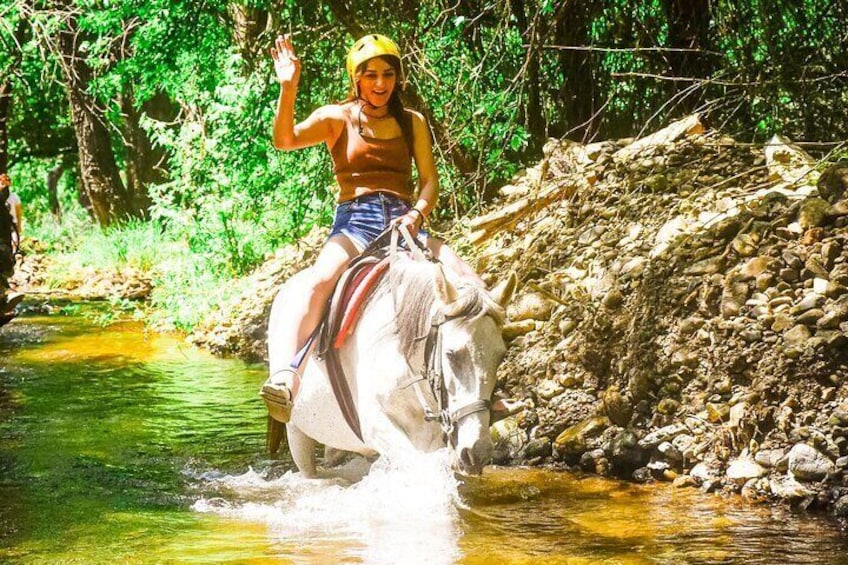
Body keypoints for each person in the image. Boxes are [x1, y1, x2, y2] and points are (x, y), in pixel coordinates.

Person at [260, 33, 487, 424]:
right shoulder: (337, 118)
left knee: (468, 279)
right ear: (357, 79)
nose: (380, 84)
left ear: (398, 78)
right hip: (356, 219)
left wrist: (417, 212)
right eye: (371, 76)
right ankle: (288, 378)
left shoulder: (413, 122)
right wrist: (288, 86)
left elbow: (429, 181)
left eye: (387, 74)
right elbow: (284, 139)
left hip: (404, 219)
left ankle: (484, 391)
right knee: (319, 282)